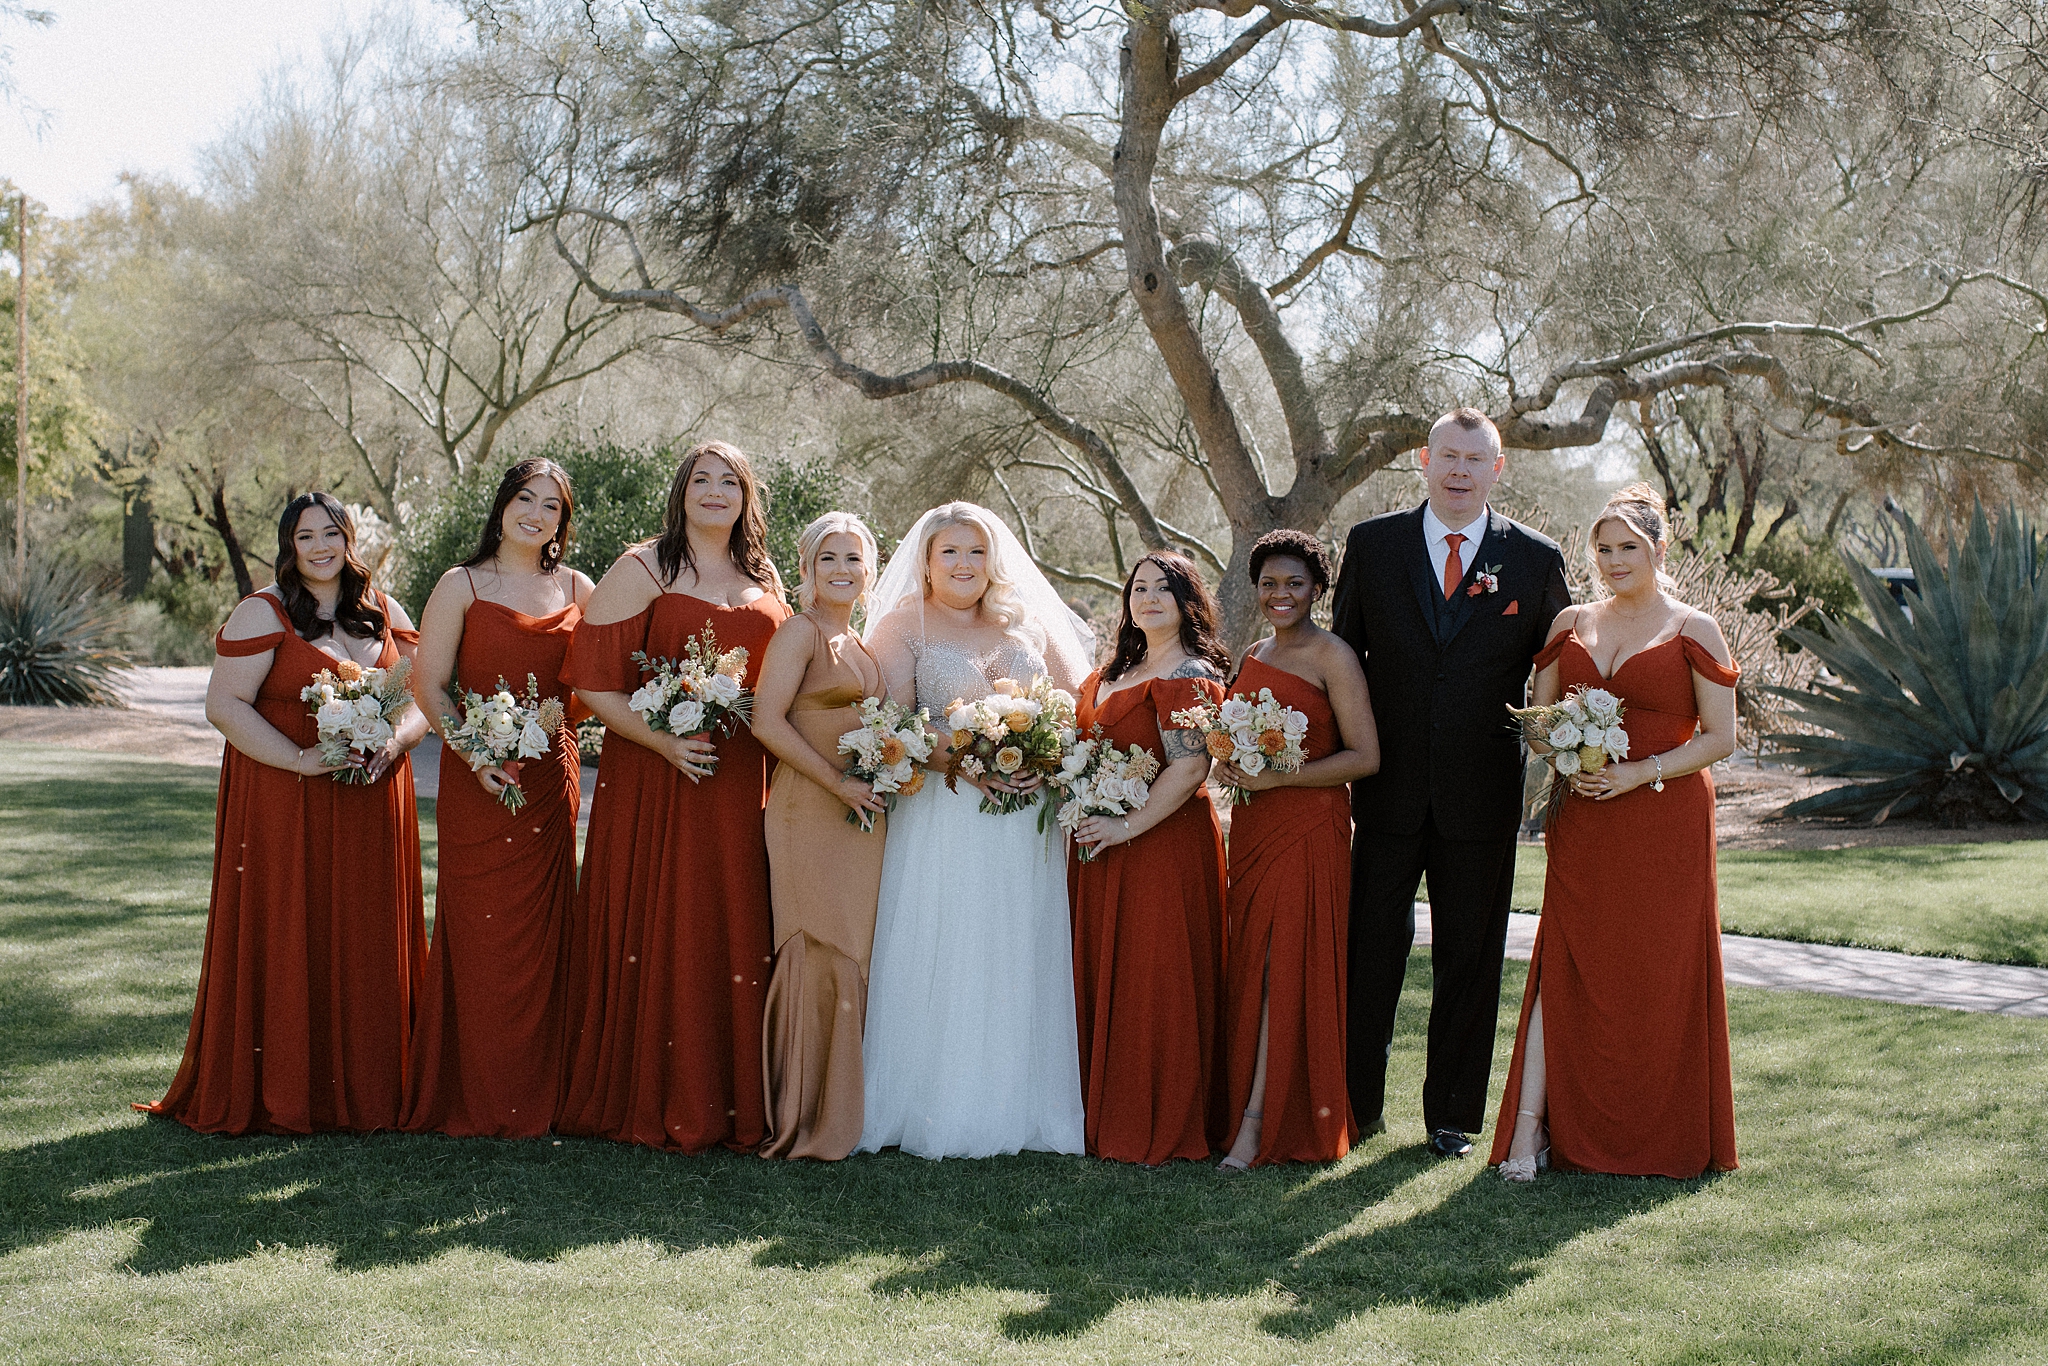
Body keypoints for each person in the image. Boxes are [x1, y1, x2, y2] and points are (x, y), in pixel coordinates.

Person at [142, 492, 429, 1134]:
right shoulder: (260, 612)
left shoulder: (384, 610)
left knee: (364, 932)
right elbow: (225, 706)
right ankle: (286, 1087)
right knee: (289, 924)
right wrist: (298, 760)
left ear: (350, 540)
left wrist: (395, 740)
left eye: (333, 533)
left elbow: (422, 697)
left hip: (371, 803)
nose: (322, 547)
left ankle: (373, 1089)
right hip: (284, 802)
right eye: (307, 537)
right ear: (288, 546)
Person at [1329, 408, 1571, 1159]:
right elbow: (1341, 663)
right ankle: (1355, 1106)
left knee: (1470, 954)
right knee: (1371, 951)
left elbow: (1564, 671)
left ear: (1498, 469)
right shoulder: (1374, 546)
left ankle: (1452, 1118)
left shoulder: (1534, 559)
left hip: (1482, 796)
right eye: (1448, 456)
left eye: (1476, 458)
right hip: (1385, 789)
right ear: (1424, 464)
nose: (1460, 469)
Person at [1491, 484, 1739, 1180]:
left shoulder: (1697, 628)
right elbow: (1534, 723)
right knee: (1566, 963)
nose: (1613, 559)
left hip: (1665, 822)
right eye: (1603, 548)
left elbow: (1721, 737)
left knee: (1658, 974)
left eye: (1628, 547)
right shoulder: (1570, 622)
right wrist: (1567, 746)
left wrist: (1641, 771)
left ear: (1659, 550)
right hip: (1586, 823)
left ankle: (1660, 1131)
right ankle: (1531, 1132)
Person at [556, 440, 788, 1153]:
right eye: (701, 480)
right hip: (660, 782)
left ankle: (737, 1097)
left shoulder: (765, 576)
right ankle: (653, 1090)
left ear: (749, 497)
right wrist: (663, 740)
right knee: (669, 919)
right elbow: (591, 683)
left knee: (735, 923)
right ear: (681, 492)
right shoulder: (643, 568)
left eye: (730, 481)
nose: (714, 491)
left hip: (745, 783)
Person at [857, 502, 1092, 1159]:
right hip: (945, 811)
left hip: (1023, 823)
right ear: (927, 564)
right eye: (950, 553)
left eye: (976, 552)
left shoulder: (1025, 624)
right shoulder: (906, 624)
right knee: (946, 941)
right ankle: (931, 1106)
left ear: (995, 561)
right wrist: (967, 756)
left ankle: (1019, 1104)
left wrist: (1045, 755)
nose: (964, 564)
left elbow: (1075, 705)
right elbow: (893, 720)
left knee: (1016, 943)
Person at [403, 458, 593, 1139]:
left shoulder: (579, 587)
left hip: (548, 783)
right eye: (524, 498)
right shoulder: (460, 584)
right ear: (502, 505)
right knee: (481, 933)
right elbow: (431, 685)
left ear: (563, 523)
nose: (535, 513)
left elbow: (600, 682)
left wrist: (550, 729)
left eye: (551, 505)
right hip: (474, 780)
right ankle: (473, 1093)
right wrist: (476, 751)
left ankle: (545, 1093)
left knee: (545, 937)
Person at [1215, 531, 1382, 1171]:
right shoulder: (1253, 652)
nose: (1280, 595)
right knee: (1251, 967)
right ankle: (1239, 1112)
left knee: (1284, 972)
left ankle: (1262, 1123)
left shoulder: (1333, 655)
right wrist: (1231, 763)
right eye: (1268, 584)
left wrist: (1277, 777)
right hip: (1253, 827)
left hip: (1308, 828)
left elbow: (1365, 757)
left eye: (1294, 583)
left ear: (1317, 589)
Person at [1069, 552, 1230, 1165]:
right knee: (1103, 966)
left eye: (1165, 588)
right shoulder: (1115, 670)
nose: (1150, 597)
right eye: (1140, 588)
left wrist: (1125, 824)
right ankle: (1093, 1106)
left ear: (1188, 601)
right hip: (1099, 843)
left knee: (1154, 977)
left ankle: (1155, 1115)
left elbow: (1191, 766)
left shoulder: (1190, 674)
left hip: (1162, 846)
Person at [753, 512, 890, 1160]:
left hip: (861, 816)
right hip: (809, 809)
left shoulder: (862, 645)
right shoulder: (799, 632)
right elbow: (767, 722)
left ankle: (844, 1110)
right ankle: (802, 1117)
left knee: (852, 952)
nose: (842, 569)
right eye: (828, 558)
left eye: (853, 559)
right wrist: (837, 782)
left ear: (870, 572)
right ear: (806, 568)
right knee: (813, 945)